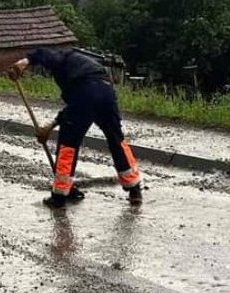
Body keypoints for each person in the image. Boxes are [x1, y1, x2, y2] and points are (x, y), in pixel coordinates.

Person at [9, 48, 142, 208]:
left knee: (68, 144)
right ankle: (135, 189)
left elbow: (47, 55)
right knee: (117, 139)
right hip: (107, 92)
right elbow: (74, 108)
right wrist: (50, 127)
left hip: (87, 93)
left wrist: (24, 62)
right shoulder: (82, 66)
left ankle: (59, 196)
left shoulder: (63, 57)